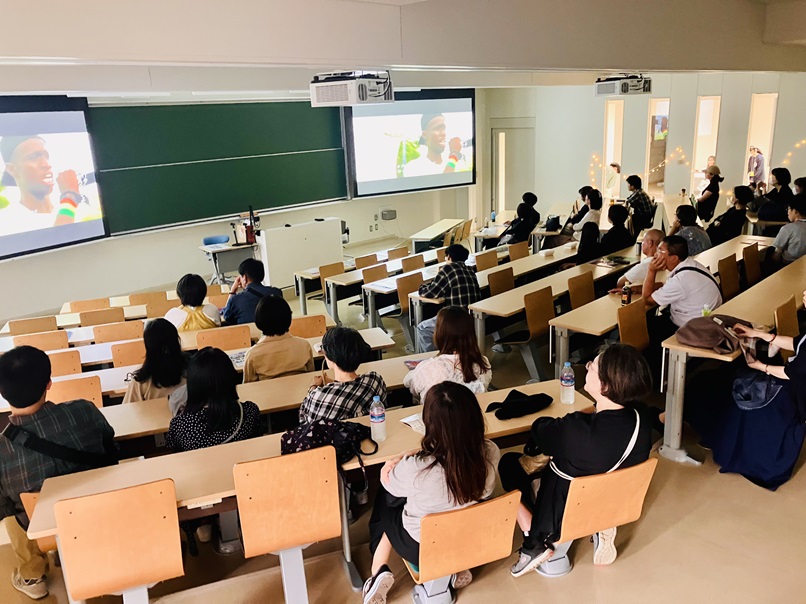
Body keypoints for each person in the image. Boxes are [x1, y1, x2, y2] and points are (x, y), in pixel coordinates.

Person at [498, 344, 657, 575]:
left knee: (510, 463)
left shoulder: (576, 431)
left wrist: (569, 421)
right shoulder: (641, 415)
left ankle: (534, 539)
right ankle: (601, 523)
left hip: (564, 510)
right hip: (613, 498)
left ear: (605, 386)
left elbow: (539, 429)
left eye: (593, 366)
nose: (588, 366)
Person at [362, 382, 500, 604]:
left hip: (422, 547)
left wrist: (396, 460)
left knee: (386, 504)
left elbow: (389, 484)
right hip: (471, 538)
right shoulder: (491, 452)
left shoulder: (417, 467)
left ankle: (378, 570)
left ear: (429, 423)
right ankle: (456, 567)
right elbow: (485, 491)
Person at [0, 346, 116, 600]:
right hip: (101, 512)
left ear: (3, 393)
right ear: (49, 383)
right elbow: (110, 443)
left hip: (45, 529)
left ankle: (33, 575)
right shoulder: (85, 410)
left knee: (11, 506)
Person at [686, 293, 806, 490]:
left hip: (791, 392)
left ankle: (717, 437)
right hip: (792, 383)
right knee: (723, 378)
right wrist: (760, 335)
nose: (804, 294)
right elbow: (797, 343)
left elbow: (792, 373)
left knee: (723, 386)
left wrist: (759, 366)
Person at [165, 347, 262, 452]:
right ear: (231, 378)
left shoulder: (180, 426)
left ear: (192, 385)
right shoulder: (250, 412)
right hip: (242, 468)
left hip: (198, 468)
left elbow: (174, 456)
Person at [642, 235, 723, 343]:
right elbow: (667, 287)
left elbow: (647, 299)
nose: (655, 255)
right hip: (708, 321)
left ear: (674, 258)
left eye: (660, 251)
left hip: (691, 329)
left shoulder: (680, 280)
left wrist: (651, 270)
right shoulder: (693, 264)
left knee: (646, 324)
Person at [298, 327, 387, 424]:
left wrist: (313, 387)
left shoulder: (318, 397)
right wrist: (333, 383)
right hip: (371, 434)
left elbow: (305, 421)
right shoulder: (374, 380)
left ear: (330, 356)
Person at [0, 135, 83, 235]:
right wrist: (70, 196)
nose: (46, 164)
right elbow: (59, 241)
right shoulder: (8, 222)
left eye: (46, 156)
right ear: (12, 169)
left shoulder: (76, 209)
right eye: (33, 158)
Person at [403, 307, 491, 401]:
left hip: (437, 415)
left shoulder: (427, 367)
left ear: (438, 334)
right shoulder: (483, 362)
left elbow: (409, 384)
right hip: (473, 414)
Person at [415, 244, 481, 352]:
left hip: (455, 319)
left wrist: (422, 287)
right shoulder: (469, 270)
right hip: (472, 316)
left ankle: (430, 359)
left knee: (423, 328)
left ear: (449, 256)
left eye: (446, 256)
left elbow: (430, 292)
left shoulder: (448, 269)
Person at [243, 294, 314, 382]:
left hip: (267, 395)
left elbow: (248, 387)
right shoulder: (304, 345)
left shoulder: (252, 354)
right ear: (289, 318)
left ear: (259, 320)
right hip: (303, 394)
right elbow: (312, 376)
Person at [123, 318, 187, 404]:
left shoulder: (140, 383)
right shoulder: (193, 373)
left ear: (148, 347)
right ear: (177, 341)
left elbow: (127, 411)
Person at [402, 114, 468, 177]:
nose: (443, 133)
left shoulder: (457, 163)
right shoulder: (413, 167)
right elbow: (444, 183)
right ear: (425, 135)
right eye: (437, 129)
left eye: (443, 129)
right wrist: (454, 154)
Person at [222, 258, 281, 325]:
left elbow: (226, 317)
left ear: (244, 278)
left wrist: (232, 291)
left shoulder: (236, 299)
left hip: (249, 334)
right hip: (272, 332)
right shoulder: (277, 293)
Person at [770, 195, 806, 265]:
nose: (787, 212)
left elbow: (776, 254)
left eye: (788, 209)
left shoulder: (788, 228)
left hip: (788, 267)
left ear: (795, 211)